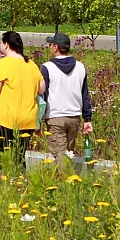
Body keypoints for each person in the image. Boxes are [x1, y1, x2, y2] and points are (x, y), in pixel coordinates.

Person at [0, 31, 45, 167]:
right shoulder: (32, 65)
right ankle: (20, 183)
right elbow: (41, 89)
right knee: (19, 157)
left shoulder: (3, 64)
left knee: (0, 157)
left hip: (5, 119)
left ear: (6, 45)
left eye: (2, 43)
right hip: (28, 120)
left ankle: (4, 185)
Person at [41, 32, 93, 169]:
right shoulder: (80, 66)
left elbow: (43, 96)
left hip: (55, 117)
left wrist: (38, 119)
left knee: (61, 157)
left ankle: (66, 185)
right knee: (67, 155)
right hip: (74, 118)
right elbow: (85, 94)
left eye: (51, 44)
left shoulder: (47, 68)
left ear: (55, 47)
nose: (50, 47)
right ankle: (66, 182)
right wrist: (87, 119)